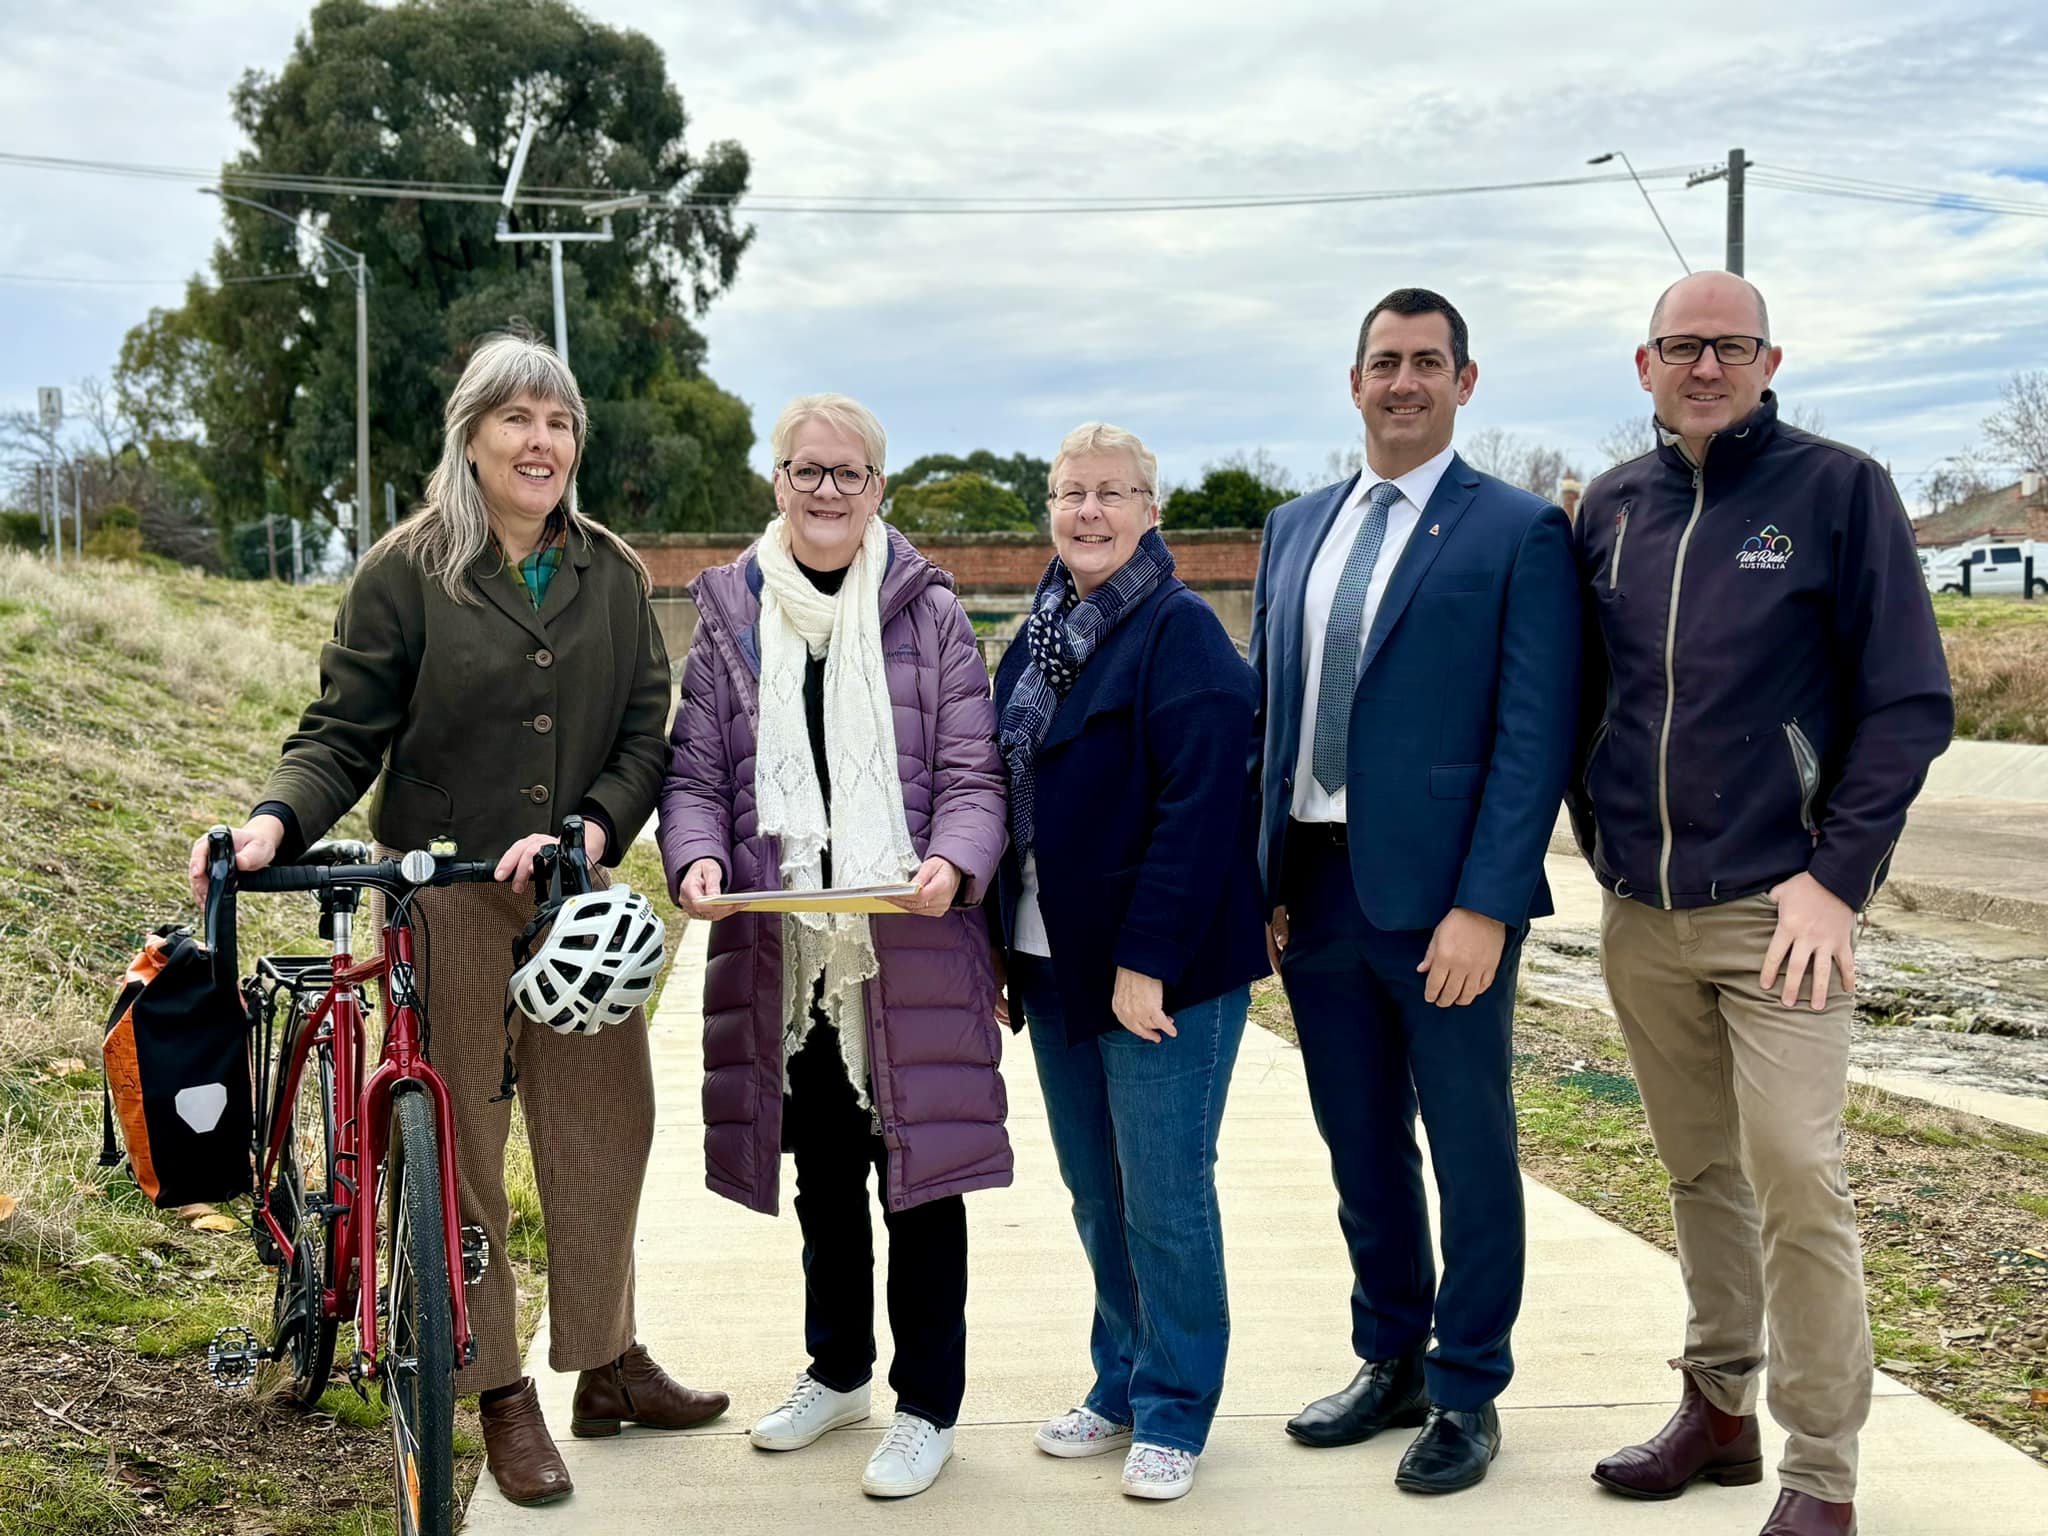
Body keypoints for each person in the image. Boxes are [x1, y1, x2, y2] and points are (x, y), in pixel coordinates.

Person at [187, 334, 728, 1509]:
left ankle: (607, 1359)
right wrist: (274, 822)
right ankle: (495, 1389)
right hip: (445, 894)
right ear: (470, 436)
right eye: (517, 420)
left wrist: (591, 831)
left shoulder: (614, 573)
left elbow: (648, 734)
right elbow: (343, 729)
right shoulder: (407, 569)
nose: (542, 443)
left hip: (571, 897)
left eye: (560, 423)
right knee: (465, 1154)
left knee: (604, 1126)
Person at [1570, 271, 1952, 1536]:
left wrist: (1834, 881)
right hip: (1643, 911)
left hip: (1781, 915)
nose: (1704, 366)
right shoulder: (1610, 508)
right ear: (1642, 362)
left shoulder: (1836, 491)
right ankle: (1716, 1406)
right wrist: (1600, 840)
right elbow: (1588, 699)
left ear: (1767, 357)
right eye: (1681, 346)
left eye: (1728, 346)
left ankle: (1820, 1471)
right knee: (1697, 1174)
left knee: (1796, 1174)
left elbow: (1905, 702)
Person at [1250, 287, 1579, 1494]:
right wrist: (1265, 877)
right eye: (1382, 362)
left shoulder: (1514, 531)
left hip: (1444, 906)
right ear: (1352, 383)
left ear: (1463, 381)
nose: (1402, 382)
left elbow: (1531, 733)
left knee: (1469, 1143)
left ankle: (1466, 1387)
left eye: (1425, 363)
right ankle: (1386, 1356)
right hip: (1317, 895)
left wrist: (1487, 904)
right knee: (1359, 1144)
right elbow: (1270, 711)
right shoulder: (1295, 527)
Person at [658, 392, 1010, 1501]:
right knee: (822, 1169)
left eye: (845, 474)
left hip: (903, 941)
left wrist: (952, 864)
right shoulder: (727, 616)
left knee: (922, 1173)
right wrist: (698, 861)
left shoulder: (930, 614)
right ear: (777, 482)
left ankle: (927, 1406)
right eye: (804, 470)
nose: (823, 490)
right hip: (786, 948)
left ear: (876, 491)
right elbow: (694, 778)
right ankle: (839, 1371)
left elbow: (971, 776)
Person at [987, 422, 1268, 1503]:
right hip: (1053, 964)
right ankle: (1118, 1381)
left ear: (1153, 510)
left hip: (1160, 976)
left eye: (1111, 493)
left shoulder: (1181, 633)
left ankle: (1176, 1407)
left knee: (1162, 1194)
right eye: (1069, 494)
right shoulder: (1042, 631)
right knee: (1096, 1195)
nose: (1087, 512)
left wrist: (1144, 961)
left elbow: (1200, 816)